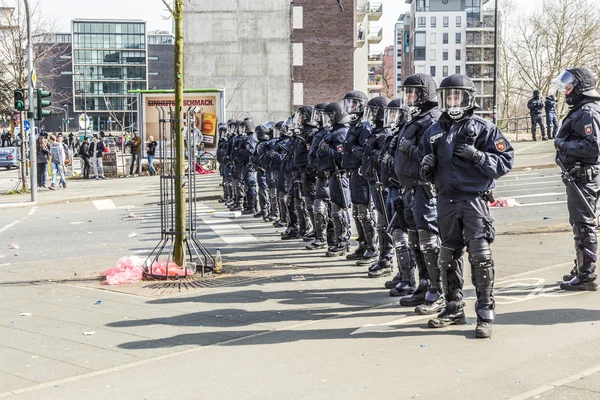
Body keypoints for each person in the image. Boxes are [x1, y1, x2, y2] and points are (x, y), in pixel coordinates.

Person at [419, 74, 514, 338]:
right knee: (447, 256)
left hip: (474, 200)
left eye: (456, 96)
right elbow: (424, 166)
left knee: (481, 257)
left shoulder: (484, 128)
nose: (451, 101)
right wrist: (426, 168)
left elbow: (505, 160)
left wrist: (478, 156)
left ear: (467, 97)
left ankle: (485, 314)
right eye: (447, 96)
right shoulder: (434, 130)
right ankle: (453, 308)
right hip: (446, 200)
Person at [393, 73, 442, 310]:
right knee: (414, 241)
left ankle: (436, 289)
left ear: (424, 94)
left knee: (429, 242)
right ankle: (423, 285)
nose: (408, 97)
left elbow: (431, 157)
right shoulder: (416, 118)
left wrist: (409, 148)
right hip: (410, 189)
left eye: (412, 92)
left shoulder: (432, 121)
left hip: (424, 190)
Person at [553, 68, 600, 291]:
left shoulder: (588, 112)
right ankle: (582, 265)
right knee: (580, 224)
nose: (565, 92)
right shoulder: (581, 110)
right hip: (578, 177)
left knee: (583, 226)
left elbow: (593, 147)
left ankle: (587, 275)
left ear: (580, 88)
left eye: (569, 88)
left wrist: (562, 145)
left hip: (583, 178)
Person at [342, 90, 378, 265]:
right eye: (348, 104)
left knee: (365, 213)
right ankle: (363, 244)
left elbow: (366, 153)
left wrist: (353, 150)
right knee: (356, 212)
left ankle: (372, 247)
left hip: (362, 174)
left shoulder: (364, 127)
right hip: (353, 174)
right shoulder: (353, 127)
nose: (350, 108)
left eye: (354, 104)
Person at [360, 96, 395, 277]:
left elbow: (385, 156)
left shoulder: (386, 133)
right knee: (382, 224)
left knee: (387, 224)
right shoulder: (375, 131)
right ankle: (383, 257)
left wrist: (373, 151)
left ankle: (387, 258)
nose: (371, 115)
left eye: (374, 111)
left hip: (382, 183)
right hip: (373, 181)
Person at [317, 102, 352, 256]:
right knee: (335, 210)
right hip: (332, 175)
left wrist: (327, 149)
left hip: (340, 175)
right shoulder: (333, 131)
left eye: (330, 115)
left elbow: (342, 157)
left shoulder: (341, 133)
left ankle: (343, 241)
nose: (328, 119)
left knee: (339, 210)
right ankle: (339, 240)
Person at [292, 106, 317, 240]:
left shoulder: (310, 133)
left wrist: (309, 168)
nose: (298, 119)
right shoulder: (303, 133)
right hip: (301, 171)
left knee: (312, 202)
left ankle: (317, 231)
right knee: (307, 202)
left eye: (301, 116)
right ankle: (312, 228)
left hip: (309, 173)